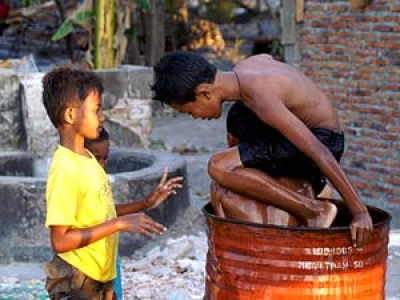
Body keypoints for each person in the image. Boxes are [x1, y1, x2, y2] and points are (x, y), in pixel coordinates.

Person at [151, 51, 373, 248]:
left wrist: (359, 211)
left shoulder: (261, 96)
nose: (197, 117)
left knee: (218, 166)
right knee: (238, 119)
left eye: (191, 111)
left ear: (205, 93)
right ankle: (275, 188)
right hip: (296, 134)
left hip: (322, 140)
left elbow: (319, 150)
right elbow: (268, 57)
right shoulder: (247, 68)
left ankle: (312, 210)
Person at [43, 65, 183, 300]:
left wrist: (145, 203)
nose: (102, 117)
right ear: (70, 115)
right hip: (77, 279)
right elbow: (60, 240)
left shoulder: (88, 159)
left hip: (100, 275)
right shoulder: (66, 170)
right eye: (96, 110)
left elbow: (100, 214)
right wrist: (119, 225)